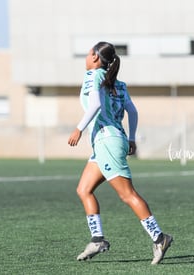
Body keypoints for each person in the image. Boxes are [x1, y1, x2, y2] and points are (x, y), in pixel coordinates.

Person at [68, 41, 173, 265]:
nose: (86, 58)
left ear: (96, 57)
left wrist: (78, 128)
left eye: (88, 53)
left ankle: (160, 237)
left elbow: (94, 105)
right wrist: (131, 138)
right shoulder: (118, 83)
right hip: (110, 141)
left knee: (127, 194)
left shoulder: (93, 75)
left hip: (107, 141)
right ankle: (97, 239)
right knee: (84, 189)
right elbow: (132, 111)